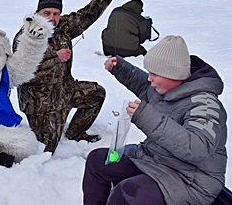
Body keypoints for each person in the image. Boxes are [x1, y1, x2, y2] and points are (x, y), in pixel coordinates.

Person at [83, 35, 227, 205]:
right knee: (97, 161)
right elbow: (144, 86)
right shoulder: (167, 88)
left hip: (188, 179)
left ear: (173, 74)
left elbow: (197, 148)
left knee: (127, 193)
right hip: (155, 159)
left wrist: (145, 116)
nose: (149, 78)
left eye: (154, 74)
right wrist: (121, 68)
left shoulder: (206, 105)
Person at [12, 0, 121, 153]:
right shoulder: (26, 37)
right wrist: (55, 58)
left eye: (56, 13)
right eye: (46, 13)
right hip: (41, 104)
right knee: (46, 150)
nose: (52, 18)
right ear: (37, 13)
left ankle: (75, 133)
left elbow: (84, 16)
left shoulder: (63, 26)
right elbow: (24, 72)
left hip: (65, 91)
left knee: (97, 93)